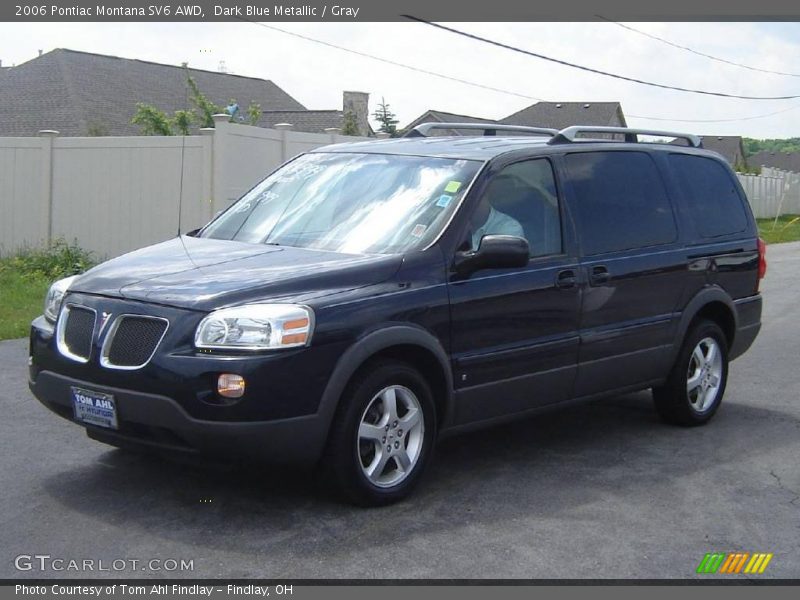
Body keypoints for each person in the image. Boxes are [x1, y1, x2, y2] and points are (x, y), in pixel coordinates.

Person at [469, 178, 524, 250]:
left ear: (486, 196)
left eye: (474, 199)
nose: (470, 205)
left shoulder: (509, 227)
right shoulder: (456, 222)